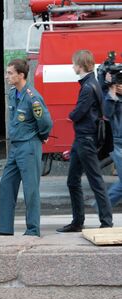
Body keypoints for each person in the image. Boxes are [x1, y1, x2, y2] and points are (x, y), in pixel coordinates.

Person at [57, 50, 113, 232]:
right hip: (82, 138)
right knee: (73, 181)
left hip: (85, 139)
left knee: (95, 180)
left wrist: (71, 115)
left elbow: (79, 112)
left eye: (74, 64)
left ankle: (106, 222)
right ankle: (77, 222)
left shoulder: (88, 86)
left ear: (80, 65)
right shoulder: (91, 83)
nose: (72, 66)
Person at [0, 59, 53, 237]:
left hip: (29, 146)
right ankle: (5, 228)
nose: (7, 76)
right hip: (15, 147)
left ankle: (33, 229)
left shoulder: (32, 97)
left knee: (30, 189)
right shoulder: (14, 93)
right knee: (6, 185)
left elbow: (45, 123)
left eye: (10, 73)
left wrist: (41, 137)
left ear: (21, 75)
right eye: (7, 73)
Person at [104, 72, 122, 206]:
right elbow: (107, 114)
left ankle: (102, 207)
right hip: (117, 142)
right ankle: (102, 207)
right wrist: (112, 92)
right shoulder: (112, 95)